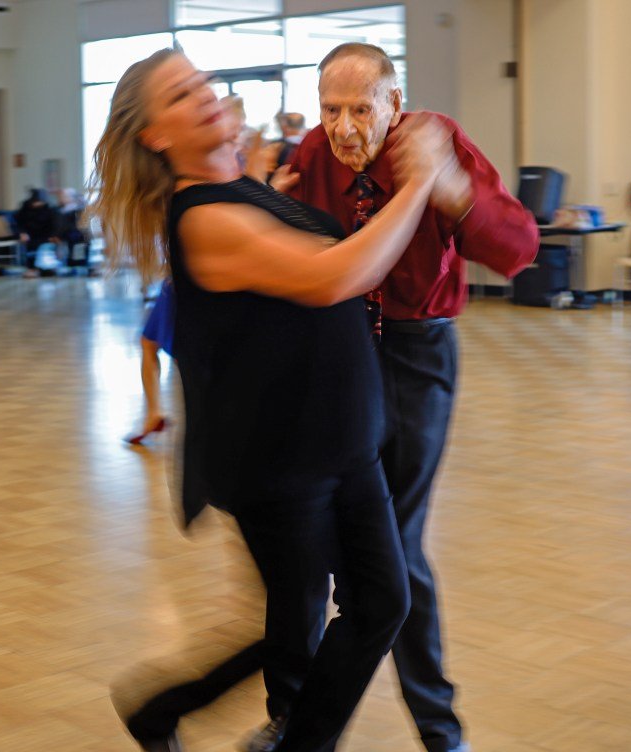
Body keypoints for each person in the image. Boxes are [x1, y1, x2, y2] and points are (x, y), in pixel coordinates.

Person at [95, 48, 457, 752]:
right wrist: (419, 184)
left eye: (199, 81)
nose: (203, 93)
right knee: (302, 622)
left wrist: (266, 179)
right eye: (179, 95)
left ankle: (166, 713)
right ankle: (195, 718)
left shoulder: (244, 189)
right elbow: (337, 275)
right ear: (156, 135)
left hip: (343, 441)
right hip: (278, 462)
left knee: (378, 604)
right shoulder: (201, 219)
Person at [239, 42, 539, 752]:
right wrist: (264, 199)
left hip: (413, 356)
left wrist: (450, 189)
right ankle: (292, 716)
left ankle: (438, 729)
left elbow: (518, 245)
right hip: (331, 354)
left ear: (393, 103)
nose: (344, 128)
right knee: (304, 543)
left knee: (394, 549)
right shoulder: (312, 154)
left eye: (360, 109)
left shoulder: (433, 140)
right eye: (330, 110)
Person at [124, 278, 174, 445]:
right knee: (148, 342)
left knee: (182, 352)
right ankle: (153, 413)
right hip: (173, 283)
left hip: (181, 283)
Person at [14, 187, 59, 278]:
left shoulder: (50, 210)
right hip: (30, 235)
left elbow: (55, 224)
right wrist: (22, 233)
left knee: (46, 249)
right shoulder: (24, 210)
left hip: (46, 235)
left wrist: (54, 235)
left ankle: (46, 268)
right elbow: (18, 223)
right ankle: (32, 268)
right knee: (31, 248)